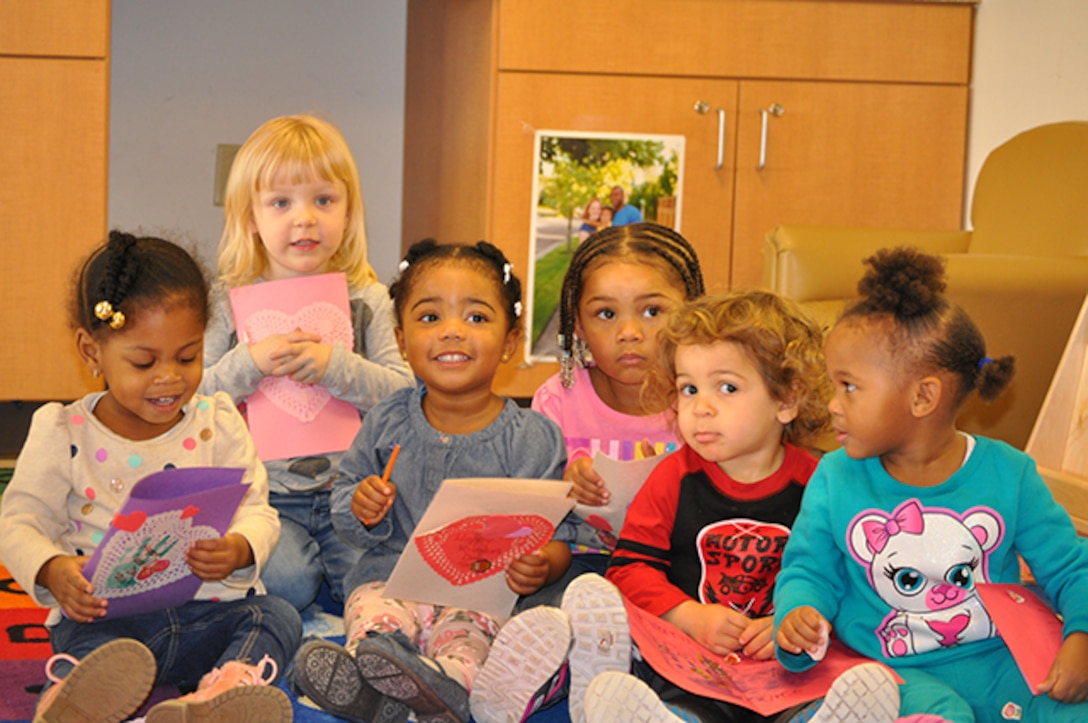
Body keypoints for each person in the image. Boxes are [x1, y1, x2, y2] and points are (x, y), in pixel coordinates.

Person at [774, 246, 1088, 721]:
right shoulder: (835, 477)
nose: (833, 404)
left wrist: (1081, 637)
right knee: (943, 716)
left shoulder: (1010, 473)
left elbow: (1070, 569)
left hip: (1002, 661)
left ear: (923, 396)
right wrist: (797, 614)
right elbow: (808, 571)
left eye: (849, 386)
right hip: (890, 670)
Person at [0, 231, 301, 722]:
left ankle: (213, 700)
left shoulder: (219, 421)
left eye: (188, 357)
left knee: (277, 616)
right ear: (91, 351)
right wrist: (53, 569)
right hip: (107, 622)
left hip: (207, 611)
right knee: (88, 646)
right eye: (144, 362)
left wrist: (241, 547)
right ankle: (76, 699)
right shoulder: (62, 430)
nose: (170, 377)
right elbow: (18, 521)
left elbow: (257, 510)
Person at [287, 240, 572, 723]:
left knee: (468, 641)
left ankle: (441, 686)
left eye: (477, 318)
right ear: (401, 340)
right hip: (390, 578)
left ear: (509, 340)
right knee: (375, 618)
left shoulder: (532, 437)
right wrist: (362, 505)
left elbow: (560, 535)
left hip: (479, 595)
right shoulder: (385, 421)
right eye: (430, 318)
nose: (453, 333)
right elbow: (345, 505)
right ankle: (380, 677)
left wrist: (542, 566)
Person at [585, 290, 834, 723]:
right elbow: (627, 568)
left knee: (816, 697)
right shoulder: (672, 477)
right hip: (691, 667)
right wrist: (688, 616)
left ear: (786, 400)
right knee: (682, 707)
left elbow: (843, 579)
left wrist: (791, 621)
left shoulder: (821, 484)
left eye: (727, 387)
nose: (700, 407)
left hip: (785, 672)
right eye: (688, 388)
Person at [202, 113, 414, 611]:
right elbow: (196, 399)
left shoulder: (369, 299)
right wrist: (249, 361)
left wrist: (336, 366)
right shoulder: (225, 302)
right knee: (285, 583)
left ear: (348, 211)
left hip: (355, 491)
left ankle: (351, 611)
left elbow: (404, 395)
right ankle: (313, 598)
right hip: (264, 498)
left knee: (382, 581)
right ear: (250, 216)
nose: (305, 218)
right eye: (281, 202)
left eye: (324, 200)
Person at [528, 222, 705, 604]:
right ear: (577, 325)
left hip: (680, 566)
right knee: (552, 608)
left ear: (689, 314)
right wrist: (562, 484)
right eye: (606, 314)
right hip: (581, 563)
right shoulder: (558, 401)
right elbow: (532, 509)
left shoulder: (704, 401)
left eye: (652, 310)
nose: (629, 331)